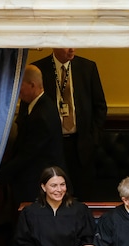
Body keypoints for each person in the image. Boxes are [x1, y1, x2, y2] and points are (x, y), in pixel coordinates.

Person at [33, 48, 108, 200]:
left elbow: (100, 106)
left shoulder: (87, 67)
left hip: (81, 145)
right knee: (55, 194)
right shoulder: (39, 69)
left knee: (82, 195)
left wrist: (94, 139)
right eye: (67, 44)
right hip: (51, 145)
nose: (72, 48)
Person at [0, 64, 66, 208]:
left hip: (36, 182)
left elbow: (27, 154)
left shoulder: (42, 115)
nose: (17, 91)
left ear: (32, 85)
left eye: (20, 86)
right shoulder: (39, 105)